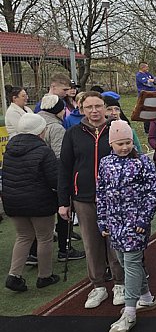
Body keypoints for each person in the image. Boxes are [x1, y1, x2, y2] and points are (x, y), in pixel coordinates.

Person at [58, 91, 126, 309]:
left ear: (105, 108)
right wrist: (64, 201)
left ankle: (120, 283)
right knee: (91, 243)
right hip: (84, 197)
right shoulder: (73, 134)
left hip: (115, 197)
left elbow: (131, 156)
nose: (94, 111)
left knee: (115, 242)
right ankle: (98, 286)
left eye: (98, 106)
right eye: (89, 107)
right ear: (81, 110)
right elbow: (65, 168)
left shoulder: (116, 129)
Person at [96, 120, 156, 332]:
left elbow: (153, 192)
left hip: (135, 223)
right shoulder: (105, 163)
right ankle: (146, 297)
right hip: (115, 223)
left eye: (128, 142)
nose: (124, 147)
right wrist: (103, 220)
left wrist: (144, 219)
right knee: (123, 261)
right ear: (111, 144)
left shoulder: (143, 162)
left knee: (132, 262)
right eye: (120, 143)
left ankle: (130, 312)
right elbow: (101, 192)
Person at [3, 113, 61, 292]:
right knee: (44, 237)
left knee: (23, 236)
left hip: (13, 200)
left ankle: (14, 275)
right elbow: (54, 179)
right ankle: (45, 276)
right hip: (39, 201)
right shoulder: (44, 151)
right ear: (40, 131)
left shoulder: (10, 148)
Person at [38, 95, 85, 263]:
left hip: (38, 179)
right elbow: (61, 158)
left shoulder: (37, 120)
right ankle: (65, 249)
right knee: (64, 213)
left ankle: (34, 253)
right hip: (53, 178)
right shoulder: (56, 128)